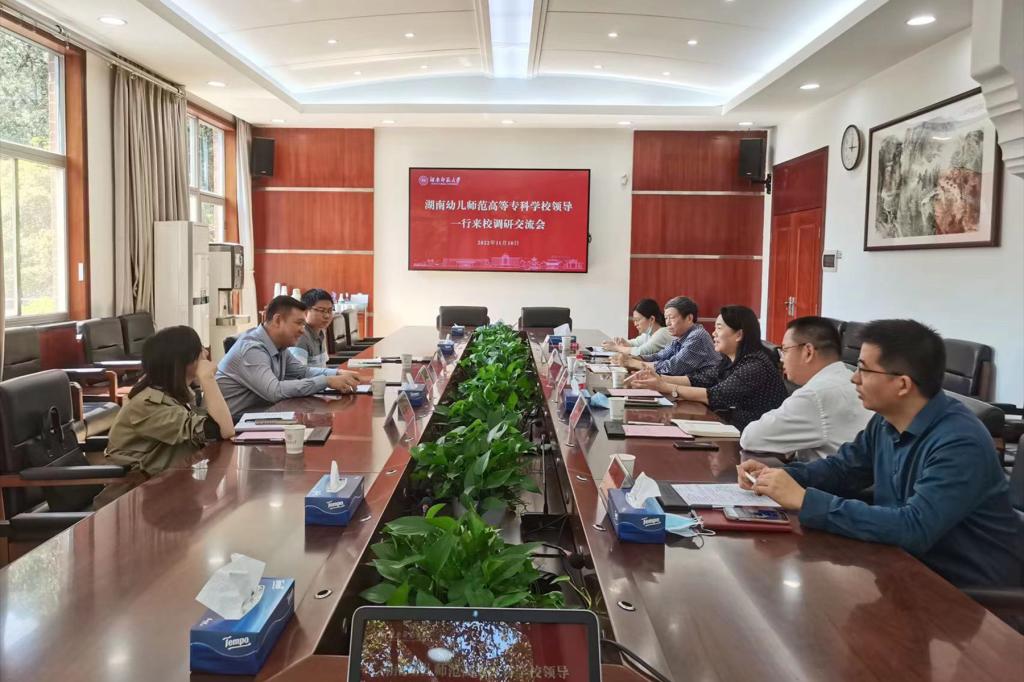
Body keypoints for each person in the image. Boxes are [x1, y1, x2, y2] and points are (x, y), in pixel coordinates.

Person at [738, 319, 1022, 589]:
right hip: (900, 569)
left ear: (903, 384)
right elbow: (842, 469)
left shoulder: (959, 442)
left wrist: (805, 500)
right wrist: (777, 477)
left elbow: (914, 528)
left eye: (864, 370)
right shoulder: (886, 421)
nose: (854, 379)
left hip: (966, 595)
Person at [105, 326, 235, 478]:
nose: (206, 353)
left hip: (169, 482)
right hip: (139, 488)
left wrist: (206, 382)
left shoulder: (173, 394)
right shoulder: (148, 405)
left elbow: (218, 425)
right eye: (199, 349)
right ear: (183, 360)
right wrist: (207, 379)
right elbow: (222, 430)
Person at [632, 305, 787, 430]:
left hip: (753, 439)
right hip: (733, 428)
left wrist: (665, 386)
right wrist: (659, 378)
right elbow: (699, 379)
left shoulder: (755, 366)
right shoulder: (729, 360)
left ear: (739, 335)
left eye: (719, 328)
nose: (713, 333)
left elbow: (715, 395)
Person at [740, 316, 872, 460]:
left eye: (785, 350)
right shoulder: (846, 377)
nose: (782, 359)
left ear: (808, 352)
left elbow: (751, 438)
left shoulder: (815, 394)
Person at [217, 295, 361, 417]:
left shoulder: (279, 345)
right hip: (235, 424)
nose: (302, 330)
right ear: (277, 320)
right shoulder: (251, 349)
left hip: (263, 414)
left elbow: (302, 372)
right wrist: (326, 381)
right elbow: (275, 391)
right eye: (299, 323)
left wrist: (337, 373)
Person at [617, 296, 718, 378]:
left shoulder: (697, 336)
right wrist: (633, 358)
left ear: (689, 318)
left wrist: (633, 363)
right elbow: (659, 356)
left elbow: (672, 368)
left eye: (672, 318)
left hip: (703, 392)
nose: (668, 323)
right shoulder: (681, 336)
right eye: (666, 318)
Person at [602, 298, 673, 356]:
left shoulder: (662, 333)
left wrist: (616, 347)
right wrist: (623, 343)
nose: (635, 324)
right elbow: (634, 343)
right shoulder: (648, 334)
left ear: (651, 319)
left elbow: (640, 351)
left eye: (637, 320)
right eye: (634, 320)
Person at [290, 288, 335, 368]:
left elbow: (322, 367)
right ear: (305, 311)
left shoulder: (321, 332)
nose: (327, 316)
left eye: (329, 310)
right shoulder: (301, 336)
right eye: (322, 310)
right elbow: (298, 372)